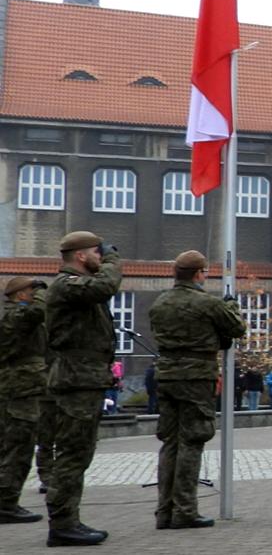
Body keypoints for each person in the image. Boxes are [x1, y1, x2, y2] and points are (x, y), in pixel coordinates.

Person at [149, 250, 244, 530]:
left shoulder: (160, 302)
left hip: (166, 375)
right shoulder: (206, 303)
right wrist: (232, 306)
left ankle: (164, 511)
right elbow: (236, 328)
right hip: (196, 377)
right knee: (192, 441)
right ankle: (185, 510)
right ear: (199, 274)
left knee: (170, 442)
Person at [42, 230, 122, 545]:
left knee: (80, 452)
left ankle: (68, 521)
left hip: (85, 378)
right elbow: (105, 286)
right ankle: (62, 525)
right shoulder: (67, 285)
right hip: (76, 379)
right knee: (72, 453)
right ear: (80, 256)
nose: (100, 257)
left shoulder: (79, 287)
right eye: (96, 252)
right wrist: (113, 259)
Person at [0, 276, 49, 525]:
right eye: (31, 291)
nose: (35, 295)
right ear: (20, 295)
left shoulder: (13, 315)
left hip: (17, 389)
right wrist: (42, 291)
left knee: (11, 447)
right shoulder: (14, 315)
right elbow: (39, 311)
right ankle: (6, 504)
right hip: (19, 391)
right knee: (18, 448)